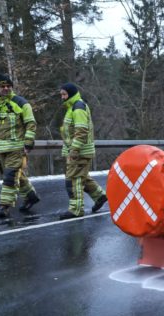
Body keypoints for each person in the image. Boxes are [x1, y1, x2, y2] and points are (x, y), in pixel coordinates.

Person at [0, 74, 40, 218]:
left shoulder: (21, 103)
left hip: (17, 148)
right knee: (16, 175)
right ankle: (31, 196)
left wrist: (28, 143)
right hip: (0, 149)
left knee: (9, 177)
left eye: (8, 86)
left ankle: (4, 206)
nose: (6, 88)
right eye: (2, 86)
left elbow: (31, 124)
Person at [59, 82, 107, 220]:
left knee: (73, 179)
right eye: (61, 94)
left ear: (71, 94)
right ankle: (100, 196)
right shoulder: (72, 107)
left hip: (79, 151)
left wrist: (74, 150)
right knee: (81, 177)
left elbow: (81, 131)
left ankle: (76, 209)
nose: (62, 97)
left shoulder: (78, 107)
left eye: (64, 94)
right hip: (78, 150)